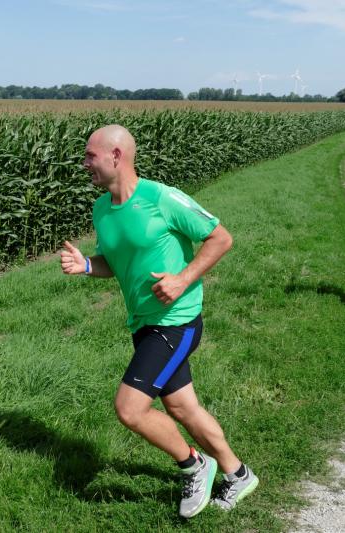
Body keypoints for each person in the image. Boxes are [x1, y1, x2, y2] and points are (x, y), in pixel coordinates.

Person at [60, 124, 257, 517]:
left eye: (90, 155)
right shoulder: (102, 210)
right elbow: (116, 262)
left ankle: (194, 465)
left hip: (175, 322)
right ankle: (238, 474)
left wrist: (182, 279)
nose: (84, 164)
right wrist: (87, 265)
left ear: (116, 156)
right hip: (143, 324)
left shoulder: (162, 198)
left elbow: (221, 238)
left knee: (129, 409)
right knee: (183, 408)